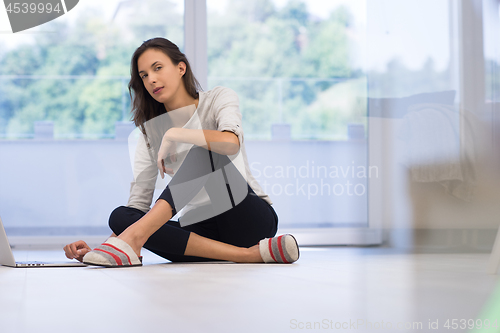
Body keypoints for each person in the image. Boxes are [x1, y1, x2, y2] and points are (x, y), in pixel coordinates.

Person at [63, 37, 299, 267]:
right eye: (144, 76)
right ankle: (247, 256)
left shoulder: (218, 98)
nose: (152, 80)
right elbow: (139, 204)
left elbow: (230, 143)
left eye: (158, 68)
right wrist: (105, 249)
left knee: (205, 152)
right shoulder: (148, 132)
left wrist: (176, 134)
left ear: (180, 68)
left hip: (247, 218)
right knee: (120, 216)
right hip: (203, 231)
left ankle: (246, 250)